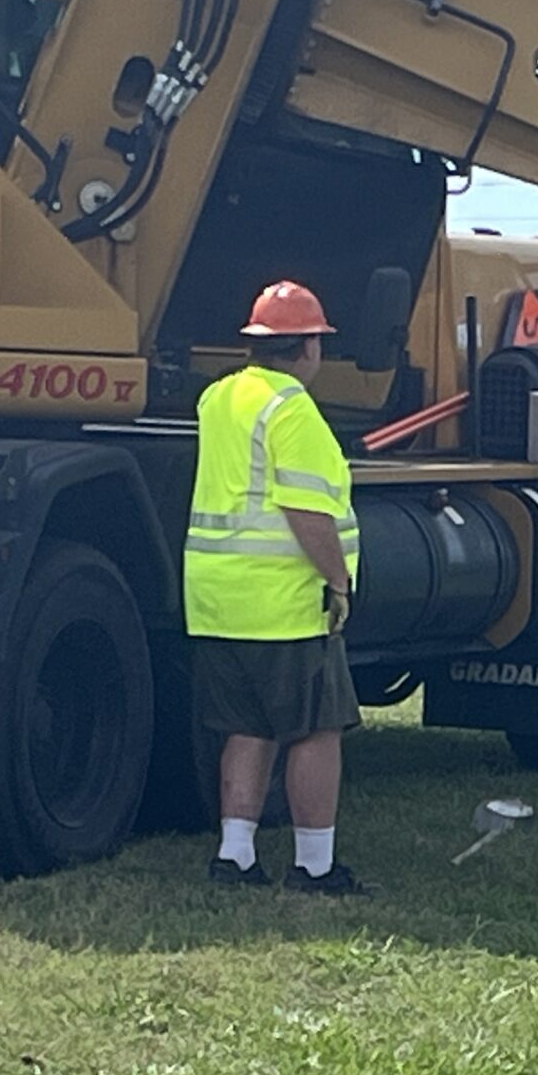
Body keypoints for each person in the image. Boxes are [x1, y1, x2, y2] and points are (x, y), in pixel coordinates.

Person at [185, 280, 368, 895]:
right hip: (283, 603)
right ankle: (314, 866)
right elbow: (307, 512)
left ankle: (234, 855)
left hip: (217, 598)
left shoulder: (219, 398)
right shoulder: (291, 409)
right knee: (317, 729)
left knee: (247, 726)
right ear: (309, 347)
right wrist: (338, 582)